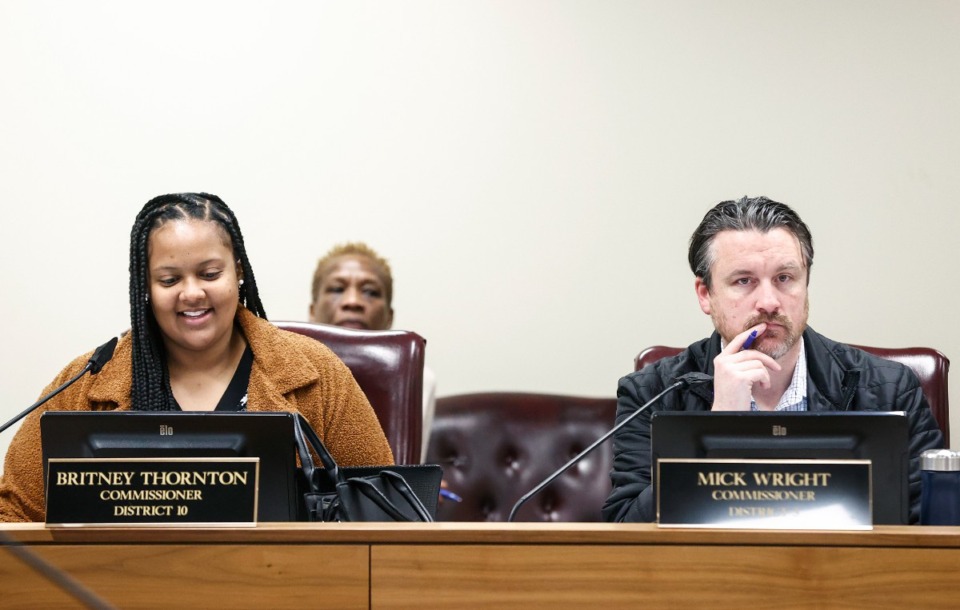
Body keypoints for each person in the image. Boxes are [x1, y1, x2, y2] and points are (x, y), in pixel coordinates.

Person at [0, 193, 393, 522]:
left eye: (209, 274)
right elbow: (13, 515)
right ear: (146, 288)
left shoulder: (316, 374)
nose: (192, 294)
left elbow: (385, 512)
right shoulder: (87, 383)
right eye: (169, 280)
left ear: (237, 272)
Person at [602, 196, 943, 524]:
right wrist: (716, 427)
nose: (768, 302)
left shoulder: (890, 388)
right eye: (744, 281)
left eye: (784, 278)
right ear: (706, 295)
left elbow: (930, 531)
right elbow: (627, 528)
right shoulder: (652, 391)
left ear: (805, 283)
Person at [309, 242, 436, 462]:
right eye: (337, 289)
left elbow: (403, 471)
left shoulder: (417, 379)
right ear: (312, 311)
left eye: (370, 292)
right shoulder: (280, 371)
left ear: (389, 317)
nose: (353, 302)